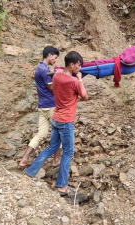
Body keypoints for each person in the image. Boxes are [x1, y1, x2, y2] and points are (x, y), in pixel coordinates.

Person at [25, 51, 88, 196]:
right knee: (68, 152)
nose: (79, 68)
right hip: (66, 121)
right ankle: (61, 186)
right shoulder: (73, 82)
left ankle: (30, 171)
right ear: (71, 65)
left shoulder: (57, 75)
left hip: (56, 118)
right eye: (78, 65)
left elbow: (58, 78)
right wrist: (80, 79)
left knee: (52, 146)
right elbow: (85, 97)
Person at [19, 46, 62, 168]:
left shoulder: (40, 68)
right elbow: (52, 89)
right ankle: (56, 160)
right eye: (55, 58)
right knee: (59, 132)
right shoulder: (44, 70)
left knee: (41, 134)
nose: (55, 61)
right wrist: (58, 78)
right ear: (49, 55)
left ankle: (25, 159)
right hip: (50, 106)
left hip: (42, 106)